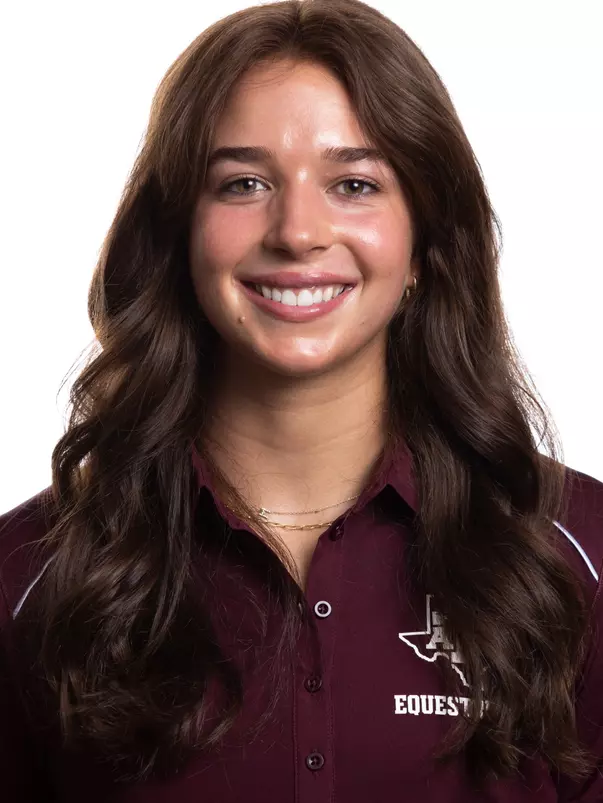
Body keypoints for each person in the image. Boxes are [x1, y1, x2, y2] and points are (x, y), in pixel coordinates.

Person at [1, 0, 602, 800]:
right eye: (243, 182)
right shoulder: (32, 575)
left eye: (353, 183)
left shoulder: (574, 555)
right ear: (179, 232)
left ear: (423, 242)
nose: (297, 230)